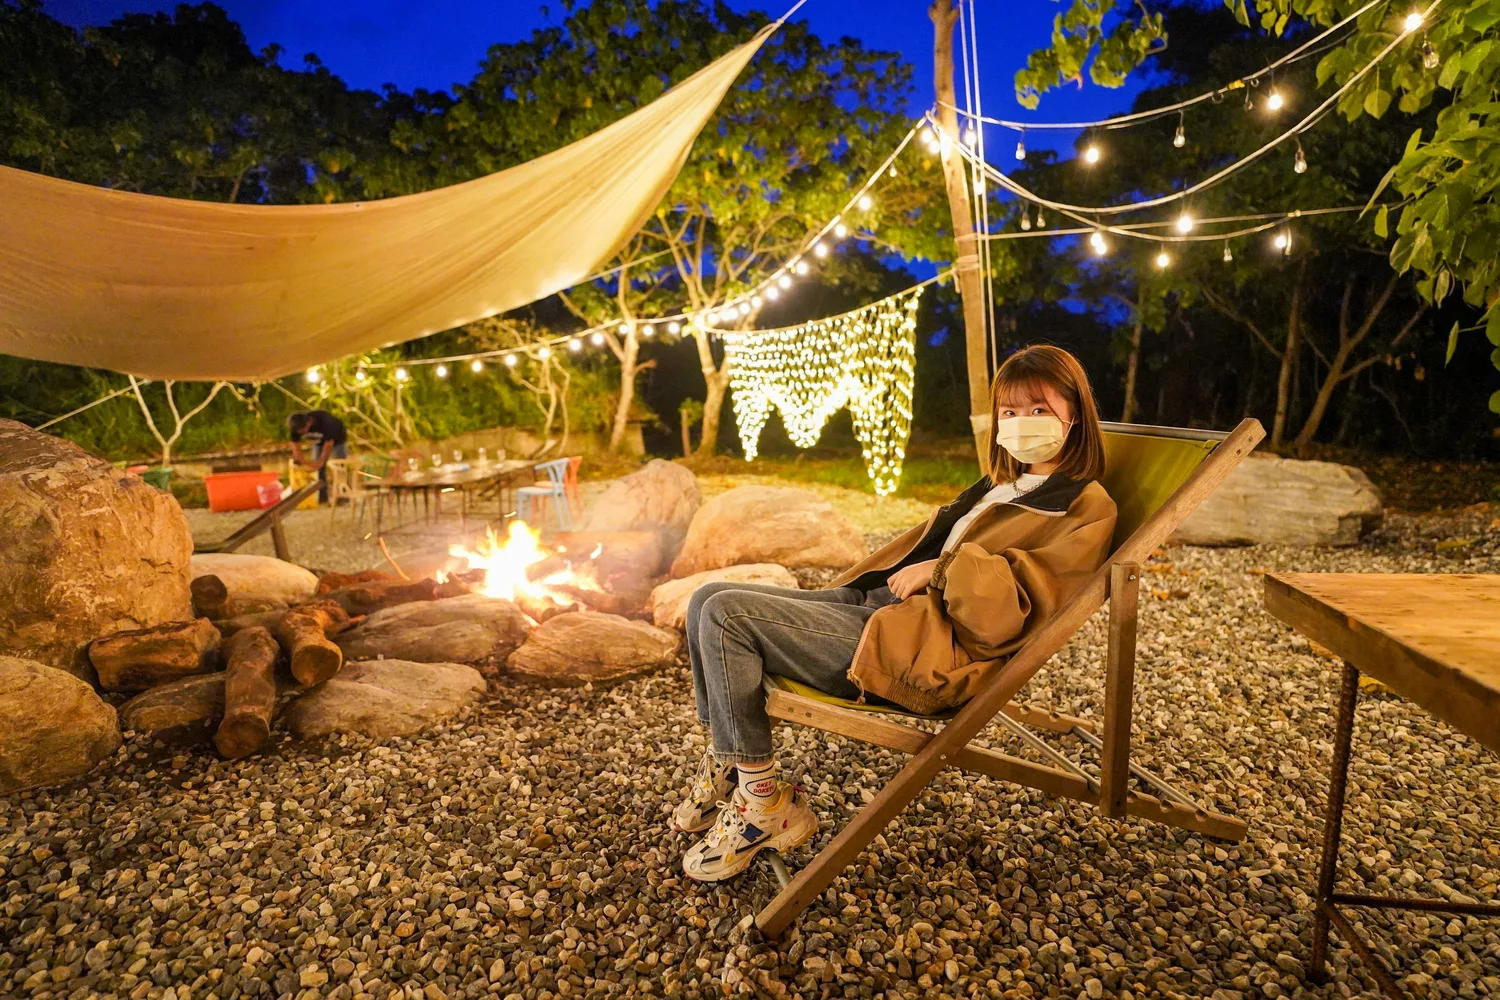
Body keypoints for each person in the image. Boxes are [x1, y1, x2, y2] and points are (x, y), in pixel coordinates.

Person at [672, 344, 1119, 881]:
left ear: (1075, 414)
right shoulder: (1003, 483)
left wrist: (942, 569)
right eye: (1011, 412)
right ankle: (730, 758)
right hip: (884, 607)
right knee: (705, 599)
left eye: (1039, 410)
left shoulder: (1086, 507)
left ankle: (764, 801)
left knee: (726, 616)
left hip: (925, 645)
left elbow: (1010, 615)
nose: (1022, 424)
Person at [287, 409, 348, 504]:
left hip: (337, 440)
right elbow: (295, 446)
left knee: (339, 467)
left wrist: (320, 462)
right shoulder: (296, 426)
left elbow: (328, 444)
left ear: (309, 423)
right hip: (318, 442)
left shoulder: (327, 422)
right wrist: (302, 463)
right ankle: (322, 497)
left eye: (302, 431)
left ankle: (343, 496)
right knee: (318, 471)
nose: (301, 433)